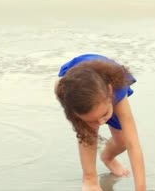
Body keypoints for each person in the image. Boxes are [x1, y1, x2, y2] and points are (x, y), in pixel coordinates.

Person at [55, 53, 146, 191]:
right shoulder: (67, 95)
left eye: (104, 115)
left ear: (110, 92)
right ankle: (89, 178)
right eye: (92, 120)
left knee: (123, 141)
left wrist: (141, 188)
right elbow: (85, 135)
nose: (101, 123)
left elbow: (133, 144)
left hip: (104, 82)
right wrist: (90, 180)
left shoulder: (117, 93)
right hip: (78, 87)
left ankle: (108, 157)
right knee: (87, 134)